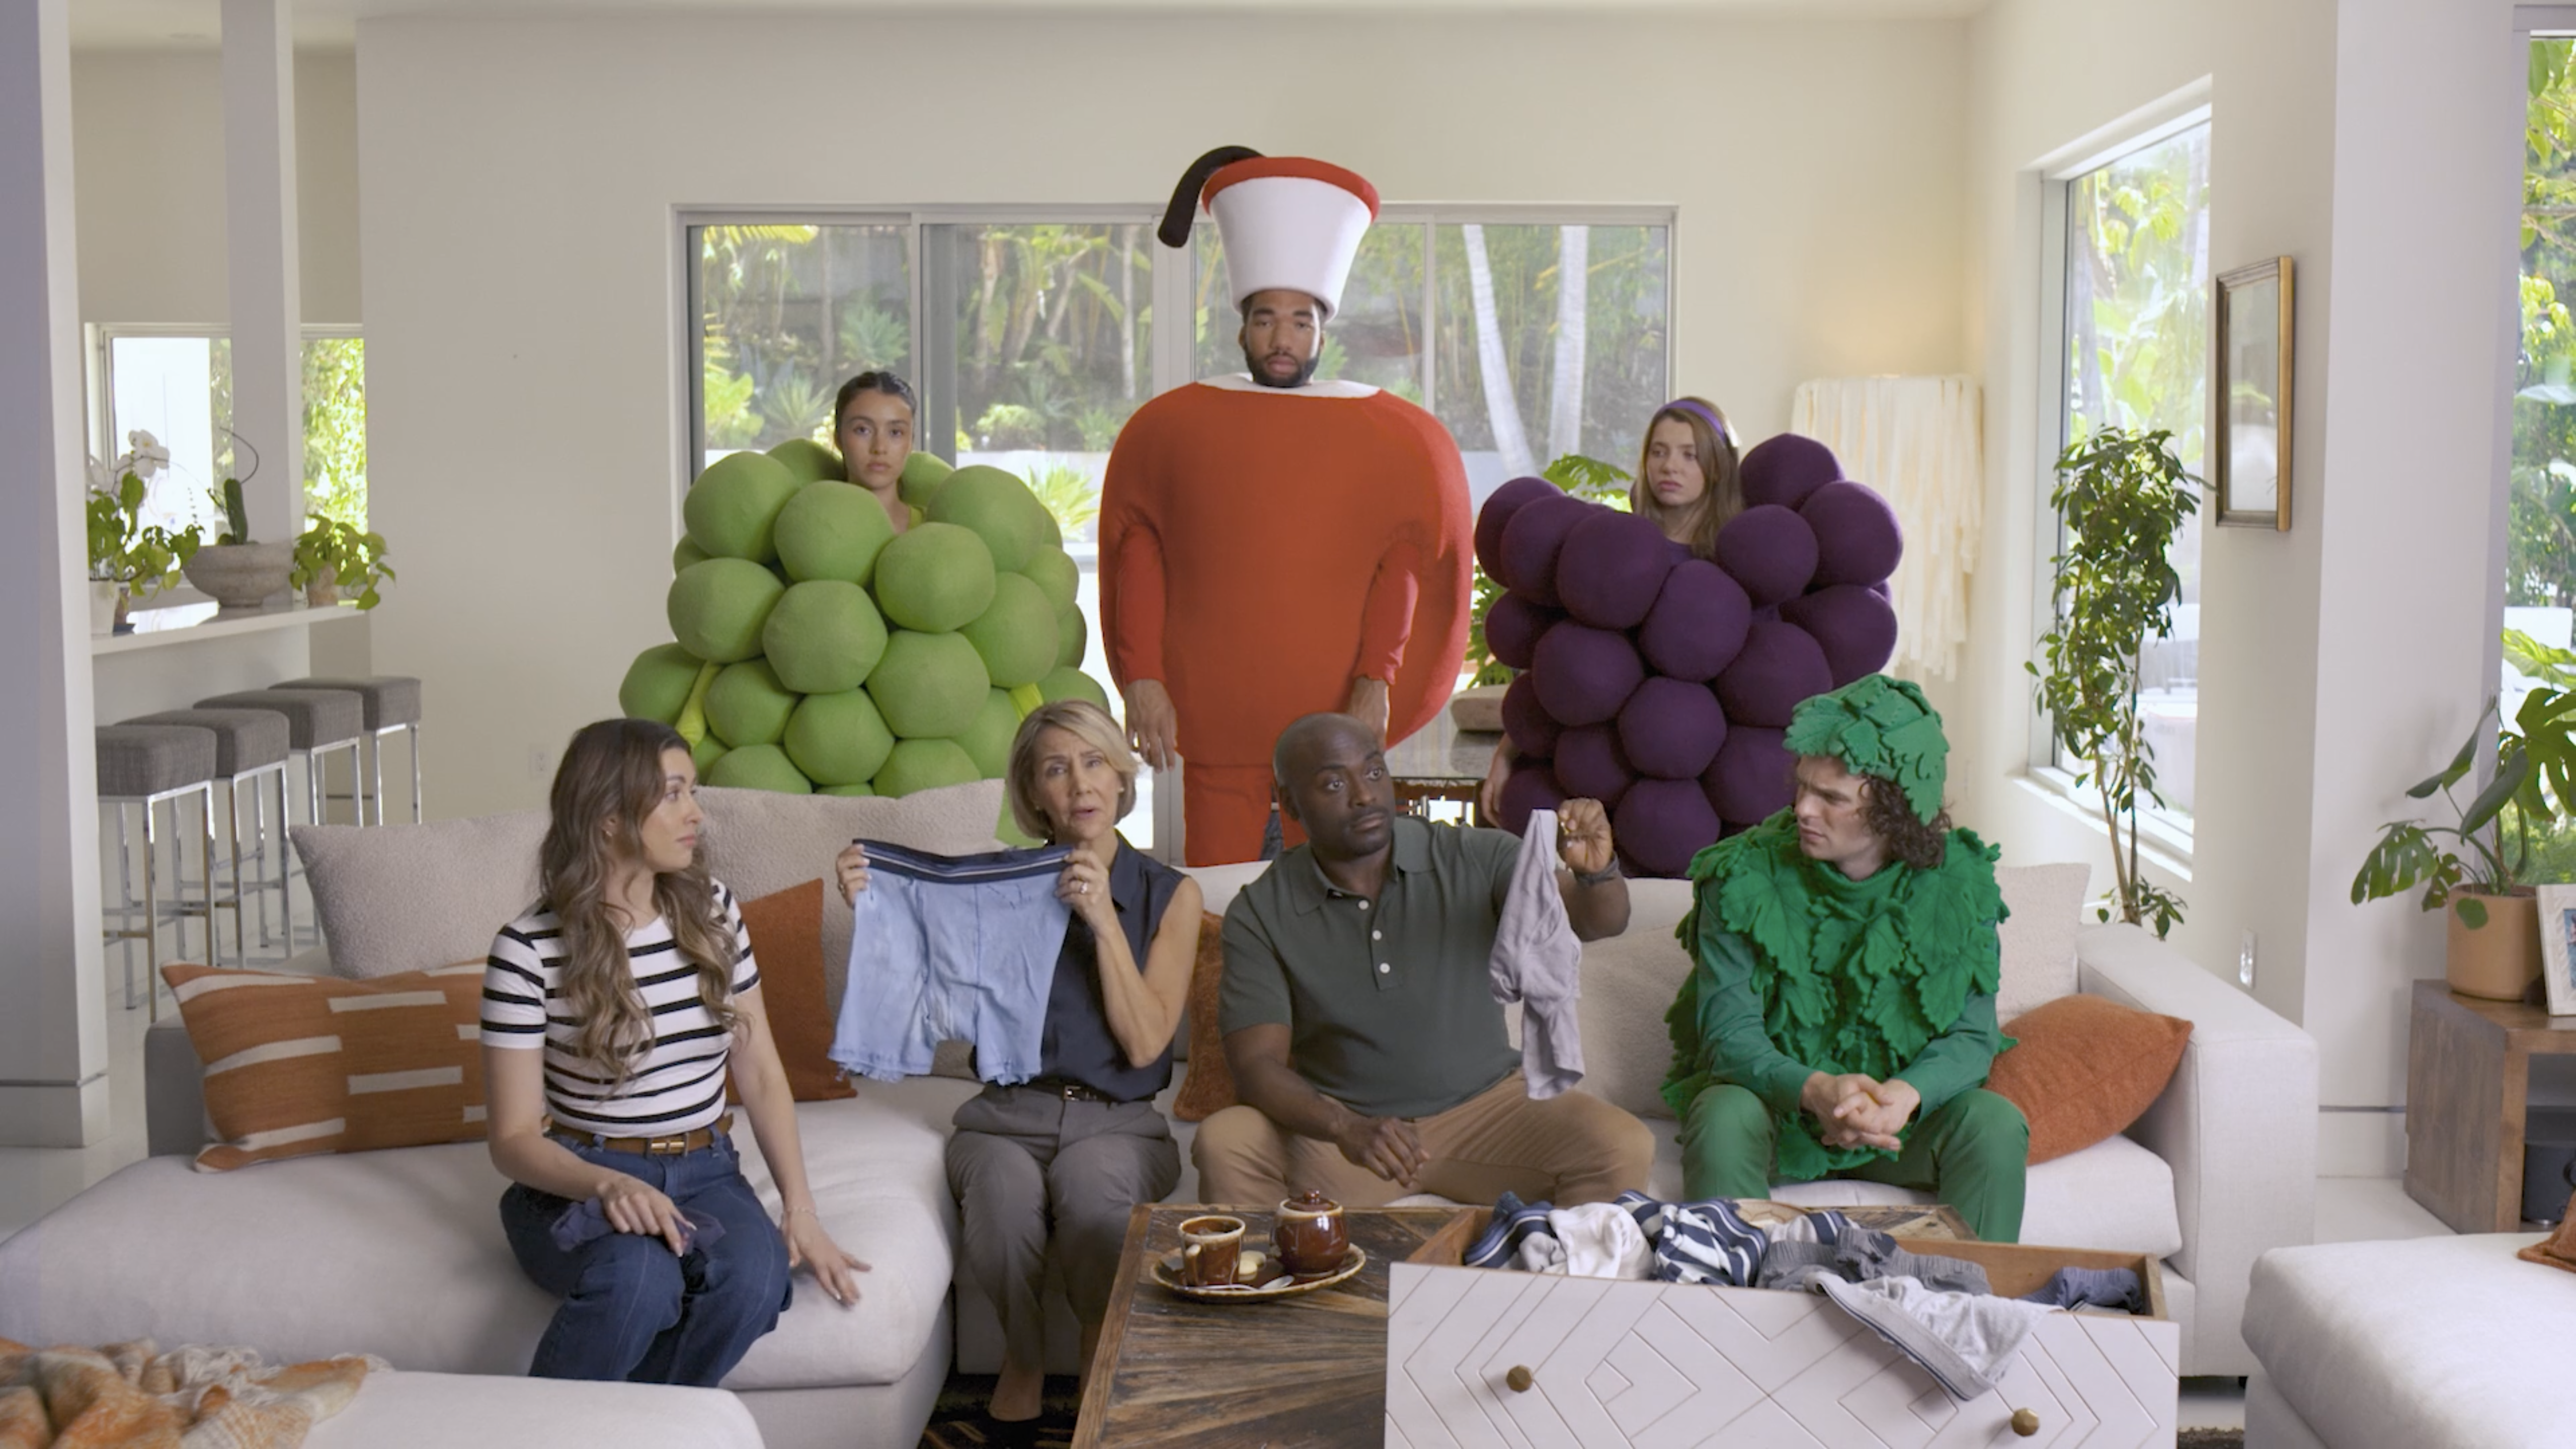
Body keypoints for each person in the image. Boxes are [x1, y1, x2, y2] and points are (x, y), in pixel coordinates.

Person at [1101, 146, 1473, 865]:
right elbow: (1140, 547)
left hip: (1332, 722)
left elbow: (1401, 564)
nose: (1282, 338)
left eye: (1300, 321)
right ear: (1241, 328)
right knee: (1216, 902)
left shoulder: (1390, 437)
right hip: (1217, 721)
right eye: (1266, 319)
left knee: (1334, 893)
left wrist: (1376, 686)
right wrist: (1143, 677)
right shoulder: (1171, 427)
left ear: (1322, 333)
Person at [833, 700, 1200, 1427]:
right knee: (999, 1202)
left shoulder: (1171, 894)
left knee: (1093, 1195)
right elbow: (934, 993)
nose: (1080, 784)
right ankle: (1024, 1355)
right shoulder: (997, 886)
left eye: (1095, 762)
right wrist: (873, 905)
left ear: (1123, 778)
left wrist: (1102, 922)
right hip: (1006, 1114)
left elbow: (1146, 1043)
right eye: (1056, 770)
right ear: (1035, 794)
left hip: (1119, 1124)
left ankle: (1100, 1348)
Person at [482, 718, 866, 1386]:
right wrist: (607, 1183)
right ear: (607, 817)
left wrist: (801, 1212)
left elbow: (762, 1073)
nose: (696, 814)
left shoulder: (714, 910)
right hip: (579, 1173)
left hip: (706, 1170)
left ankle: (640, 1430)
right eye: (673, 794)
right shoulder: (528, 949)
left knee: (754, 1279)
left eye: (692, 792)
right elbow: (512, 1139)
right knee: (638, 1278)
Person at [1193, 712, 1655, 1210]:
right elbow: (1256, 1066)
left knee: (1621, 1144)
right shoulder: (1260, 911)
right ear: (1289, 803)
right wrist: (1344, 1126)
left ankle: (1546, 1282)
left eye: (1373, 772)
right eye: (1332, 782)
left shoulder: (1476, 855)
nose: (1363, 795)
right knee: (1226, 1140)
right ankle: (1276, 1288)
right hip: (1347, 1134)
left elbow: (1594, 923)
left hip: (1489, 1111)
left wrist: (1597, 874)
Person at [1660, 675, 2028, 1242]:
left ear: (1891, 812)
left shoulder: (1961, 883)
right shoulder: (1738, 876)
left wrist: (1901, 1099)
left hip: (1899, 1128)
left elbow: (1970, 1038)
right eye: (1803, 787)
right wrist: (1814, 1090)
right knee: (1722, 1112)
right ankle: (1729, 1308)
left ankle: (1963, 1314)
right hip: (1780, 1118)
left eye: (1830, 798)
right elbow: (1728, 1035)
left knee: (1994, 1122)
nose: (1803, 809)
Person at [1478, 395, 1746, 819]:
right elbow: (1559, 669)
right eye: (1658, 452)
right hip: (1592, 772)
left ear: (1717, 466)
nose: (1669, 466)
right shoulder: (1614, 554)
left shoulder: (1733, 566)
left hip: (1683, 789)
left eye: (1689, 455)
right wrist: (1507, 756)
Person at [834, 369, 917, 535]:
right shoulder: (814, 530)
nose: (879, 448)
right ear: (838, 439)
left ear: (910, 443)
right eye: (863, 430)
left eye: (895, 432)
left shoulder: (932, 528)